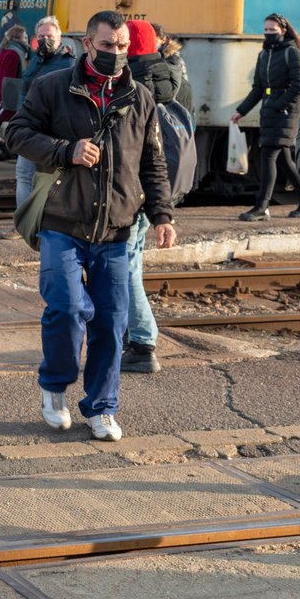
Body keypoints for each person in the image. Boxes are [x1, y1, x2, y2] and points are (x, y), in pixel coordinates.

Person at [5, 10, 176, 443]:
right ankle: (55, 386)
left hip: (117, 228)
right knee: (66, 309)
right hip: (63, 222)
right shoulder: (52, 87)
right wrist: (65, 150)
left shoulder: (140, 98)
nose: (116, 55)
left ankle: (101, 407)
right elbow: (17, 134)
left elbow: (152, 162)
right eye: (107, 47)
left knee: (113, 321)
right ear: (87, 43)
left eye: (122, 48)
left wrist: (162, 215)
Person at [121, 20, 177, 375]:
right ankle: (132, 333)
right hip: (160, 187)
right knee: (132, 263)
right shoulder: (174, 78)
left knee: (125, 267)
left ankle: (142, 342)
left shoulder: (133, 85)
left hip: (134, 186)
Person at [232, 13, 300, 221]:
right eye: (266, 30)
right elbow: (258, 88)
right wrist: (241, 111)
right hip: (270, 110)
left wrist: (279, 105)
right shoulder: (264, 55)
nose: (268, 34)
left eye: (272, 30)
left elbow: (299, 87)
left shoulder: (292, 53)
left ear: (283, 30)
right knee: (285, 160)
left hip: (286, 111)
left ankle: (262, 207)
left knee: (268, 155)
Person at [11, 16, 74, 209]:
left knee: (53, 178)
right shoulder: (35, 61)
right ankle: (23, 224)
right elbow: (24, 91)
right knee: (24, 175)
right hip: (29, 127)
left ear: (60, 38)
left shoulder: (68, 63)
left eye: (50, 36)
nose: (45, 39)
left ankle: (49, 224)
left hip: (53, 131)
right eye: (41, 35)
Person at [0, 24, 30, 167]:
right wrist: (9, 100)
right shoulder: (15, 53)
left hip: (2, 96)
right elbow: (10, 79)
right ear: (18, 37)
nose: (27, 40)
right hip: (7, 99)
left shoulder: (7, 50)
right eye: (25, 37)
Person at [153, 23, 194, 114]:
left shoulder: (173, 59)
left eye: (154, 40)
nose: (151, 43)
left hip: (174, 107)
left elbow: (181, 87)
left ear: (163, 40)